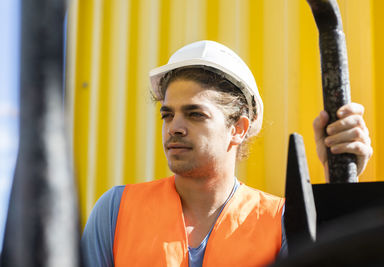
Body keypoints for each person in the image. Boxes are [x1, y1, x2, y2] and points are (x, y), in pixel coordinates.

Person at [81, 40, 372, 267]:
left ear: (238, 129)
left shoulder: (281, 220)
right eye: (168, 115)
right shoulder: (114, 212)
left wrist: (341, 179)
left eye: (195, 114)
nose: (175, 128)